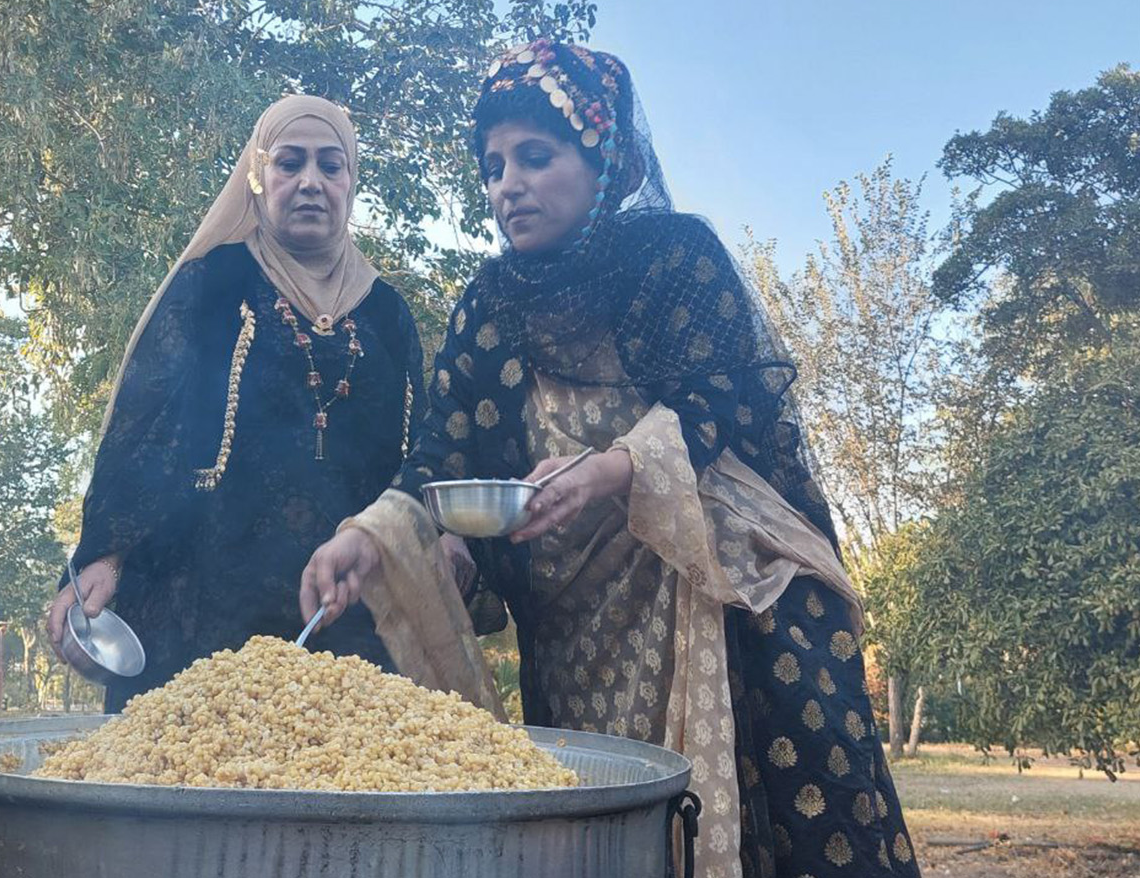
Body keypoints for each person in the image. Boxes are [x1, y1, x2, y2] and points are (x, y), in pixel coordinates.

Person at [303, 41, 921, 878]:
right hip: (576, 632)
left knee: (774, 807)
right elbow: (438, 455)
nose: (506, 185)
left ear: (605, 160)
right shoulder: (487, 306)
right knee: (603, 834)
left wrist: (612, 469)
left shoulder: (673, 262)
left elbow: (730, 400)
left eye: (535, 156)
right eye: (492, 166)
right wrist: (370, 539)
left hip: (707, 591)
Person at [45, 95, 439, 712]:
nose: (310, 181)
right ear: (259, 177)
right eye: (290, 163)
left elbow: (420, 457)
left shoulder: (387, 315)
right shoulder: (213, 283)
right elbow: (143, 426)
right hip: (200, 605)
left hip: (342, 614)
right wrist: (105, 554)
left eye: (330, 166)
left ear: (351, 181)